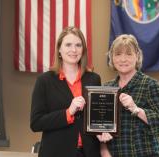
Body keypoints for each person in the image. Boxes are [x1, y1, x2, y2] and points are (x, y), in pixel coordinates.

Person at [30, 26, 101, 157]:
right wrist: (68, 113)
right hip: (56, 152)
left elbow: (96, 118)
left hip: (89, 152)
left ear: (83, 50)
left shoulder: (94, 79)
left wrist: (103, 130)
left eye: (78, 45)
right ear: (59, 50)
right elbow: (36, 122)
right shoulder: (44, 80)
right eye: (68, 45)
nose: (73, 50)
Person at [97, 34, 159, 157]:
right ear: (112, 58)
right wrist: (104, 151)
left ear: (137, 56)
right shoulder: (106, 89)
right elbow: (100, 126)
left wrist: (136, 109)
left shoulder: (150, 85)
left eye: (129, 54)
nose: (123, 59)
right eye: (118, 54)